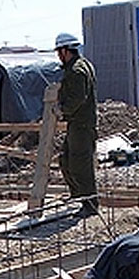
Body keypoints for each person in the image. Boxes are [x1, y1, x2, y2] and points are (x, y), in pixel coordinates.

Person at [54, 32, 98, 217]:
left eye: (59, 52)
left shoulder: (77, 71)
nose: (58, 56)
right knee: (65, 160)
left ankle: (90, 204)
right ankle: (79, 197)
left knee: (81, 165)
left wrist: (62, 110)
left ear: (65, 51)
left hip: (81, 125)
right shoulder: (82, 65)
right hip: (78, 125)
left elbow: (78, 97)